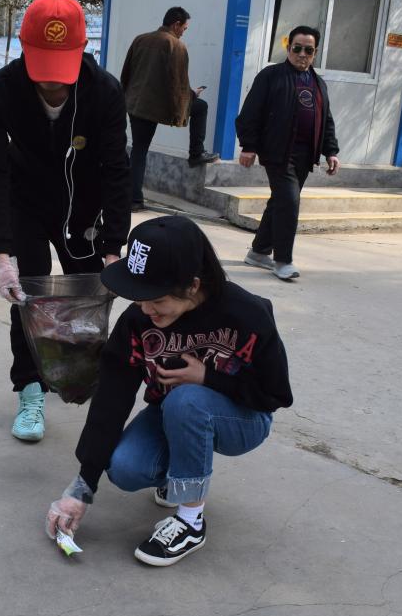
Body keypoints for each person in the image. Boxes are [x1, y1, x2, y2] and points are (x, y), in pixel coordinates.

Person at [45, 215, 292, 566]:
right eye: (139, 297)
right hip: (172, 412)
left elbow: (276, 394)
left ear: (192, 286)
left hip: (244, 418)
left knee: (187, 399)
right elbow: (111, 400)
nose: (146, 309)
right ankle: (181, 474)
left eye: (156, 300)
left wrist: (208, 378)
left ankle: (191, 522)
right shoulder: (139, 321)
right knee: (124, 468)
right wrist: (82, 486)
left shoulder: (247, 314)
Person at [0, 0, 132, 443]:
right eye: (43, 69)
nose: (52, 84)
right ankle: (30, 390)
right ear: (24, 48)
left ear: (82, 50)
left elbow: (116, 170)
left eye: (62, 71)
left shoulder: (104, 91)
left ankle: (79, 376)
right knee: (28, 296)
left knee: (87, 296)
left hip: (83, 204)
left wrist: (112, 247)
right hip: (23, 200)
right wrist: (2, 254)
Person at [235, 25, 340, 281]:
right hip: (278, 152)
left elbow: (326, 119)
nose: (302, 54)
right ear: (288, 47)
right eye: (297, 48)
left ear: (315, 53)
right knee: (290, 202)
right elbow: (250, 112)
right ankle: (283, 260)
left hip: (306, 155)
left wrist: (331, 151)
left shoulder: (318, 83)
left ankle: (259, 252)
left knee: (281, 201)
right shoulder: (271, 76)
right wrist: (248, 146)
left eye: (308, 50)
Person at [121, 7, 219, 212]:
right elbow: (178, 82)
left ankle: (133, 200)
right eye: (184, 28)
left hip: (135, 104)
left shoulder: (140, 39)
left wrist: (125, 98)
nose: (184, 32)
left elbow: (126, 72)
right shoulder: (176, 45)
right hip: (157, 105)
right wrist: (191, 97)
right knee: (201, 107)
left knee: (139, 150)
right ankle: (196, 153)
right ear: (176, 25)